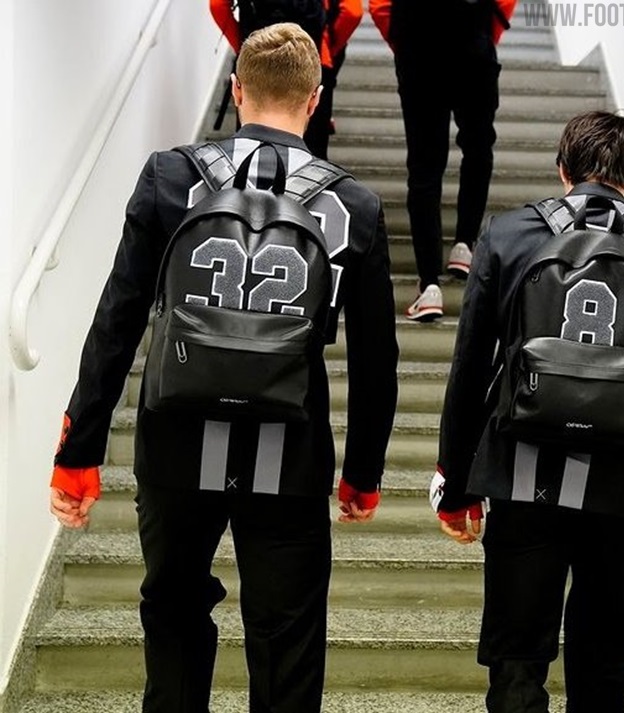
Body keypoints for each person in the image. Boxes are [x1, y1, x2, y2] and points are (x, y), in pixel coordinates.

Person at [49, 23, 399, 713]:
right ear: (316, 98)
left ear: (237, 90)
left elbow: (118, 319)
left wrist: (79, 448)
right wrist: (363, 472)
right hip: (290, 448)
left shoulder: (170, 175)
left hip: (175, 440)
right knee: (287, 638)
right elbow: (375, 356)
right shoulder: (353, 204)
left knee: (175, 618)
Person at [432, 110, 624, 712]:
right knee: (601, 666)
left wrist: (455, 479)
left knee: (516, 660)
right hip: (621, 486)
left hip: (521, 472)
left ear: (562, 169)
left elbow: (469, 367)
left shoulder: (511, 235)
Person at [369, 0, 517, 321]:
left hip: (419, 51)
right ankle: (464, 242)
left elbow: (380, 6)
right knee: (478, 148)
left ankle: (429, 286)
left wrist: (403, 41)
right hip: (474, 48)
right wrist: (482, 34)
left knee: (424, 168)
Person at [210, 0, 363, 159]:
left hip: (257, 65)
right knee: (312, 155)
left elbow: (217, 5)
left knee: (251, 149)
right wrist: (327, 50)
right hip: (311, 59)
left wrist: (246, 51)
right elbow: (353, 12)